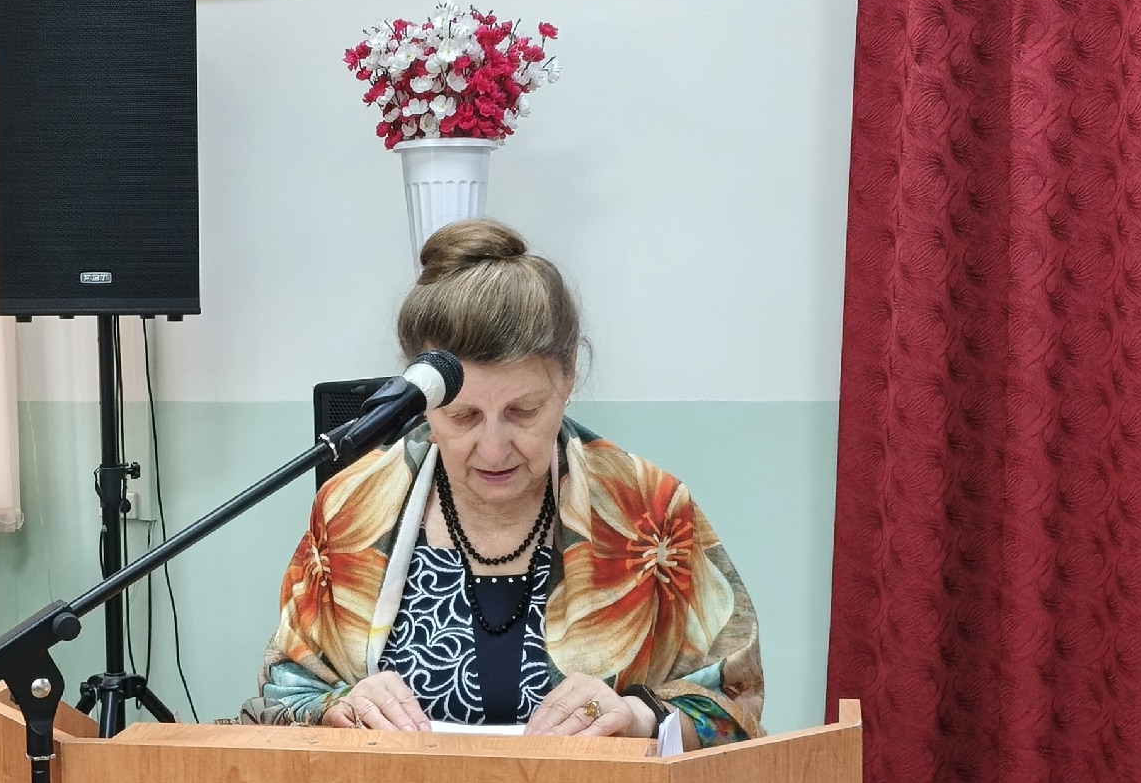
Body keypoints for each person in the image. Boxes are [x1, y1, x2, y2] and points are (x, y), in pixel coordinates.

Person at [248, 219, 763, 746]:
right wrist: (338, 707)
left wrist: (639, 716)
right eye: (463, 416)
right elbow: (279, 699)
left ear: (568, 376)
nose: (493, 449)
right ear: (420, 397)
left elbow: (736, 708)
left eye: (523, 411)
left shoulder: (649, 510)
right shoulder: (351, 506)